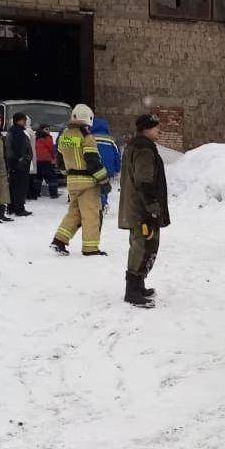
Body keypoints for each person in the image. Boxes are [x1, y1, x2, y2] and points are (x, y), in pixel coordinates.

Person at [118, 114, 170, 308]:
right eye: (156, 127)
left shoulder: (136, 145)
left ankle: (138, 285)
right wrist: (152, 207)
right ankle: (132, 291)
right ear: (146, 129)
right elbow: (144, 180)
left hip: (136, 206)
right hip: (142, 209)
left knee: (141, 244)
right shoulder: (144, 148)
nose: (159, 130)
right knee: (143, 245)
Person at [50, 104, 111, 256]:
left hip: (72, 181)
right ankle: (90, 248)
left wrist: (68, 173)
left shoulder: (64, 135)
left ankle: (59, 240)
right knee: (91, 214)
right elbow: (93, 161)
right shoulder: (86, 136)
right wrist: (104, 180)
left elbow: (60, 161)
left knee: (74, 213)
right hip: (88, 182)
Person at [5, 112, 33, 217]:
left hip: (21, 165)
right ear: (17, 121)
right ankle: (19, 209)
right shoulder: (14, 133)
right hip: (18, 165)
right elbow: (9, 150)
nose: (25, 122)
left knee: (16, 187)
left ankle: (13, 207)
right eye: (23, 120)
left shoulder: (20, 132)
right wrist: (18, 161)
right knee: (19, 188)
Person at [91, 116, 122, 213]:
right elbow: (117, 155)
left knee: (95, 186)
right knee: (104, 185)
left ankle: (99, 204)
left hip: (95, 167)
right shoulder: (111, 140)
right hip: (108, 168)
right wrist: (117, 168)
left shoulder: (90, 138)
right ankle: (103, 203)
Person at [33, 124, 59, 198]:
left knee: (38, 177)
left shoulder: (36, 138)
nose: (49, 131)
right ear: (42, 130)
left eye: (49, 129)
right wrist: (54, 158)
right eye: (46, 129)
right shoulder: (48, 138)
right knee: (52, 178)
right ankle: (53, 194)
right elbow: (51, 149)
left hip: (38, 160)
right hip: (47, 160)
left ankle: (36, 193)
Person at [25, 115, 38, 200]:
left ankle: (29, 194)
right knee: (32, 178)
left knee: (27, 177)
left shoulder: (26, 131)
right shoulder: (31, 131)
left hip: (28, 156)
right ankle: (33, 194)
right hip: (33, 155)